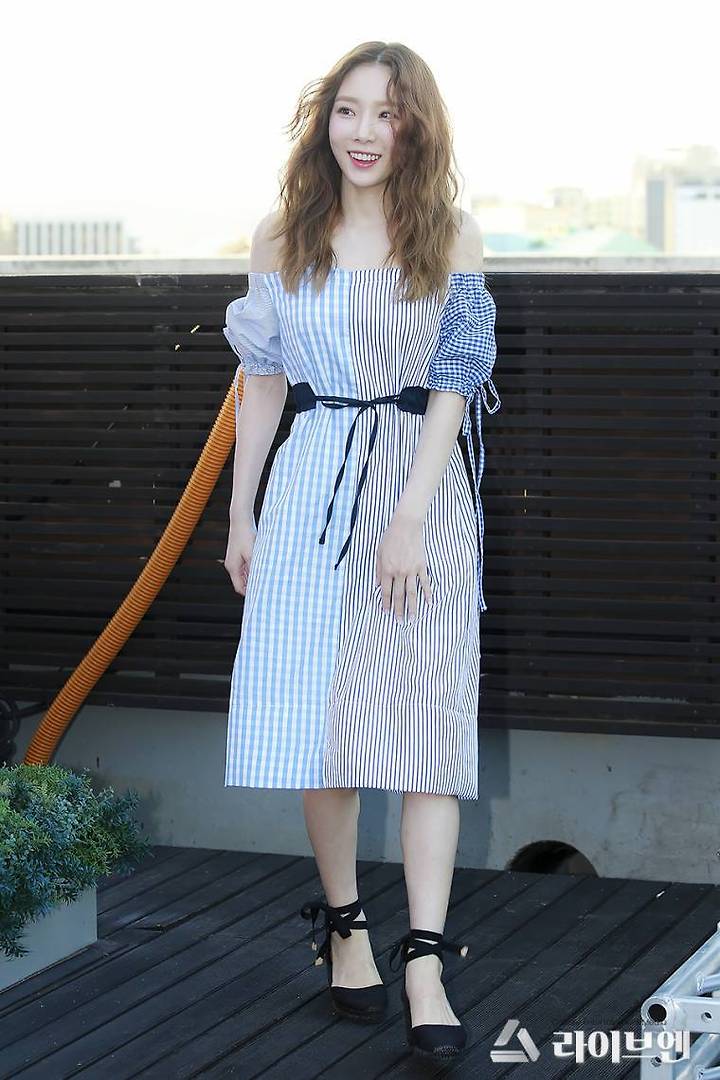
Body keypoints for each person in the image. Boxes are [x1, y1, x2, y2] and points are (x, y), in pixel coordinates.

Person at [223, 41, 501, 1059]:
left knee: (429, 720)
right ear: (323, 120)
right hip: (311, 488)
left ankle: (425, 962)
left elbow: (456, 380)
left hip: (420, 488)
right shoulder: (282, 234)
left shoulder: (450, 233)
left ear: (415, 127)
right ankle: (346, 928)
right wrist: (242, 514)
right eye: (348, 109)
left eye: (388, 112)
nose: (365, 131)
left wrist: (412, 514)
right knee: (320, 719)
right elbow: (262, 384)